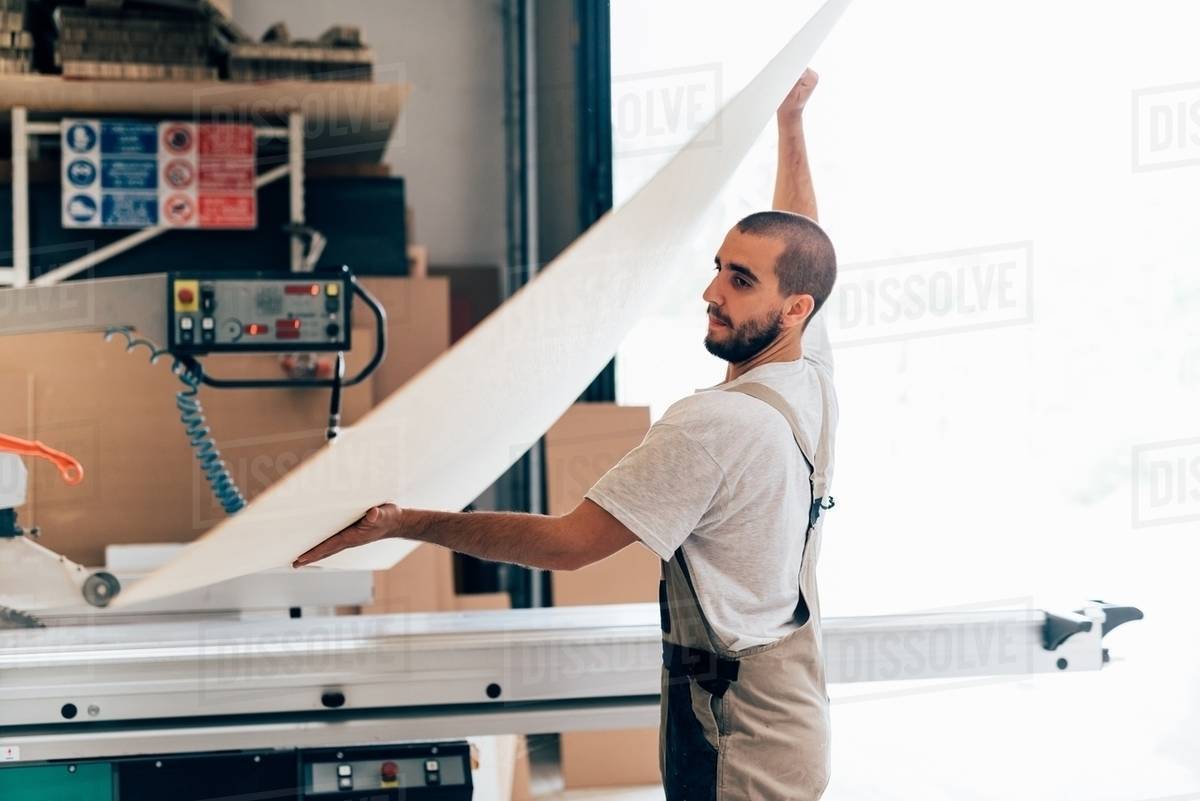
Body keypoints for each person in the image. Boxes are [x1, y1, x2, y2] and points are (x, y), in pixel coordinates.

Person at [294, 68, 838, 801]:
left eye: (740, 281)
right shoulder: (809, 377)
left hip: (732, 731)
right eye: (717, 268)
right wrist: (790, 124)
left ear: (793, 306)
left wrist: (408, 521)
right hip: (792, 715)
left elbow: (566, 545)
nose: (710, 292)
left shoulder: (714, 423)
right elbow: (804, 238)